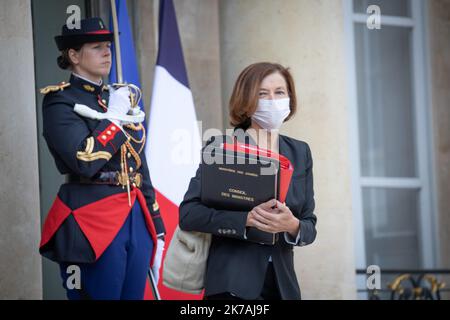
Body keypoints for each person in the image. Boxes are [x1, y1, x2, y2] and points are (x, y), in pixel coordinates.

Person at [39, 17, 165, 300]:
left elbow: (138, 165)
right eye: (96, 47)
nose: (107, 52)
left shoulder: (116, 99)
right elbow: (84, 160)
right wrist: (115, 120)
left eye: (107, 46)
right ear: (73, 55)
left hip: (135, 214)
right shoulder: (60, 101)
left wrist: (156, 227)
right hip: (90, 216)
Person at [179, 62, 317, 300]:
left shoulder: (300, 152)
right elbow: (189, 214)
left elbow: (309, 225)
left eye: (280, 92)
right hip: (232, 284)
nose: (273, 100)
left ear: (290, 98)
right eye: (263, 94)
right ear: (247, 99)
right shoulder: (222, 148)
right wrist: (245, 220)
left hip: (283, 286)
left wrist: (291, 225)